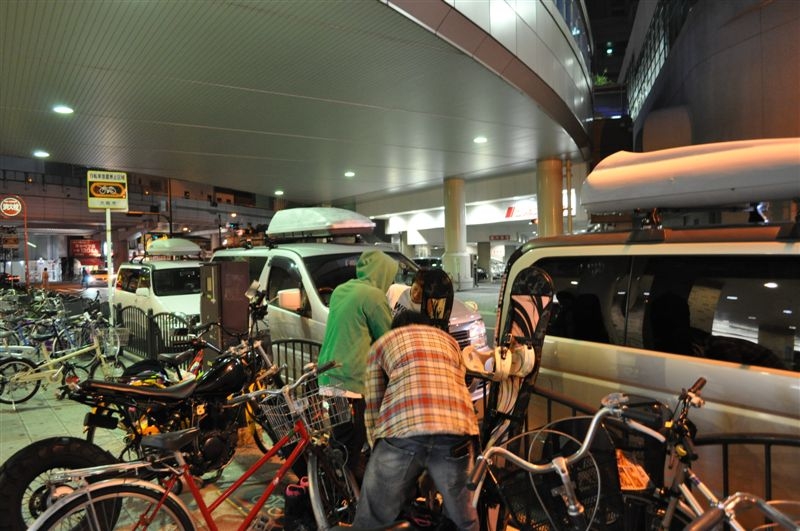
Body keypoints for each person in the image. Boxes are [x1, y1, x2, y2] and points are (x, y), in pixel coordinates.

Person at [353, 268, 479, 531]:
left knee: (372, 516)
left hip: (404, 432)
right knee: (463, 519)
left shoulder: (381, 345)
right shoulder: (449, 341)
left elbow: (373, 408)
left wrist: (376, 449)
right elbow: (459, 386)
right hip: (458, 431)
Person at [316, 249, 398, 479]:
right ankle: (344, 491)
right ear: (382, 273)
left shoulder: (341, 290)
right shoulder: (374, 296)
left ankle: (331, 486)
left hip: (328, 374)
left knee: (340, 436)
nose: (390, 283)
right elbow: (388, 337)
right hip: (352, 380)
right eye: (390, 277)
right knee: (354, 441)